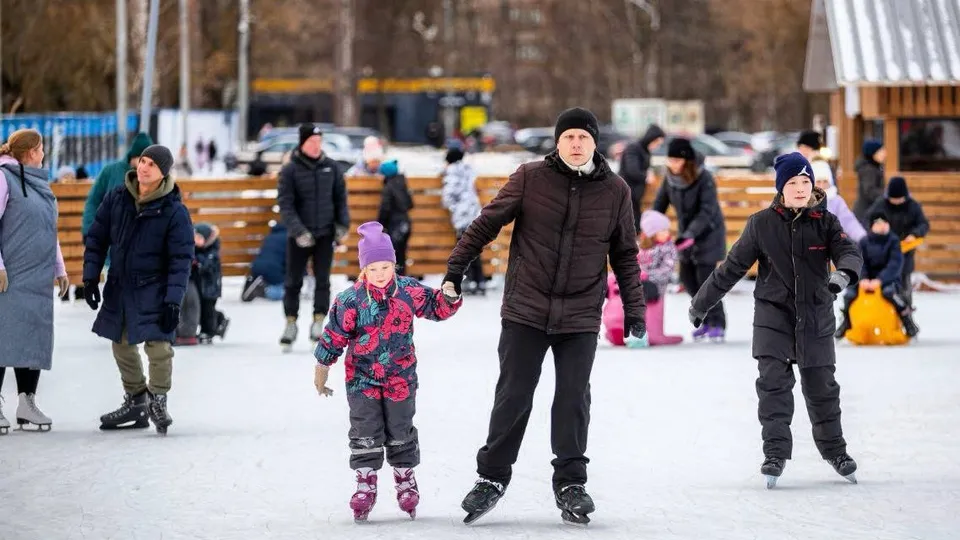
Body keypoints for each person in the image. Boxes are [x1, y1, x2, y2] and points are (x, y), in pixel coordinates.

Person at [443, 107, 646, 525]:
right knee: (513, 395)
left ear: (594, 143)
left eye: (583, 138)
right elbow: (486, 223)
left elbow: (625, 255)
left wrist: (634, 309)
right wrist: (454, 270)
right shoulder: (530, 177)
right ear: (557, 141)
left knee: (573, 398)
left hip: (580, 314)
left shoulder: (615, 191)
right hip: (526, 308)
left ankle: (571, 483)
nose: (576, 144)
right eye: (569, 137)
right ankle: (492, 477)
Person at [688, 152, 863, 488]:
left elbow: (849, 252)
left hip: (815, 315)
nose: (800, 188)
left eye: (805, 181)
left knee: (822, 388)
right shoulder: (761, 224)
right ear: (781, 187)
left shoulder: (825, 222)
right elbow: (731, 268)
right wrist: (701, 303)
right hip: (773, 317)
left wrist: (843, 274)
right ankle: (775, 454)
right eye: (793, 182)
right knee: (773, 386)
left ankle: (835, 451)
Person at [313, 221, 462, 522]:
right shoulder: (350, 300)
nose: (380, 274)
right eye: (373, 269)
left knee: (400, 428)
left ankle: (405, 477)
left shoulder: (408, 291)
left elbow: (437, 308)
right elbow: (334, 335)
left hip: (401, 378)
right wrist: (322, 367)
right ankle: (365, 483)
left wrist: (450, 295)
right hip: (362, 379)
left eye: (385, 267)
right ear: (363, 270)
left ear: (394, 264)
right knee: (365, 429)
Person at [82, 144, 194, 435]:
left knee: (159, 346)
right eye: (142, 161)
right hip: (120, 285)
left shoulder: (174, 211)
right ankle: (136, 400)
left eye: (151, 165)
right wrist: (91, 277)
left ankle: (158, 399)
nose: (143, 168)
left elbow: (181, 261)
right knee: (120, 343)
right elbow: (97, 238)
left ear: (163, 173)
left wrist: (172, 302)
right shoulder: (117, 197)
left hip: (154, 288)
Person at [0, 129, 70, 433]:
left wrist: (59, 268)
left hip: (37, 277)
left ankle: (26, 403)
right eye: (41, 149)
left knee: (32, 335)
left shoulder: (41, 185)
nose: (44, 154)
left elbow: (48, 229)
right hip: (10, 275)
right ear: (31, 152)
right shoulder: (3, 178)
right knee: (4, 335)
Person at [277, 123, 350, 347]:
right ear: (303, 143)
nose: (316, 146)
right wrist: (299, 231)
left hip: (325, 233)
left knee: (322, 280)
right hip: (300, 235)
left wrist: (342, 226)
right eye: (312, 142)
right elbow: (285, 204)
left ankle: (319, 321)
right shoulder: (290, 170)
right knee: (293, 281)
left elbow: (340, 199)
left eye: (319, 142)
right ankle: (291, 322)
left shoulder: (332, 167)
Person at [651, 137, 727, 341]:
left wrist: (690, 234)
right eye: (670, 160)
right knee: (687, 278)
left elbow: (707, 211)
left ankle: (717, 323)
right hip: (686, 235)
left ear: (687, 162)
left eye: (677, 161)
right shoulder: (669, 179)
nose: (672, 165)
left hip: (708, 233)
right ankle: (706, 320)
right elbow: (659, 205)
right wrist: (649, 226)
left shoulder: (704, 178)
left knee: (706, 280)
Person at [835, 210, 919, 339]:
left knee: (889, 292)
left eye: (885, 222)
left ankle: (906, 318)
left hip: (888, 279)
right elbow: (861, 262)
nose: (883, 225)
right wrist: (863, 278)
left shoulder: (893, 241)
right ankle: (847, 321)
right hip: (866, 279)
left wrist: (880, 280)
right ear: (872, 226)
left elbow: (894, 264)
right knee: (850, 295)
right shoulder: (864, 242)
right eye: (879, 223)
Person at [866, 176, 929, 307]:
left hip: (906, 252)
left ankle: (906, 314)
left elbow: (923, 224)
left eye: (899, 199)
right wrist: (876, 230)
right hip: (883, 252)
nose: (895, 202)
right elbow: (867, 220)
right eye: (893, 199)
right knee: (884, 283)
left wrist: (914, 234)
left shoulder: (913, 206)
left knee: (904, 285)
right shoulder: (880, 204)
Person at [634, 210, 694, 346]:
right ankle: (638, 334)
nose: (667, 233)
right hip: (639, 288)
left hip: (657, 289)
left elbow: (667, 268)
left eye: (667, 229)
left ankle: (656, 334)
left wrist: (649, 275)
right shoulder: (641, 247)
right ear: (651, 233)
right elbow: (633, 263)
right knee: (639, 311)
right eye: (662, 230)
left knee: (654, 311)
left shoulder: (668, 248)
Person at [81, 132, 153, 241]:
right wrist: (89, 231)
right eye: (142, 160)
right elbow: (93, 201)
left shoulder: (153, 177)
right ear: (134, 156)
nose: (145, 166)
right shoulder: (111, 172)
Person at [441, 147, 487, 294]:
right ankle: (479, 280)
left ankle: (468, 280)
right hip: (474, 213)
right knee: (473, 249)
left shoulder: (453, 172)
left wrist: (452, 206)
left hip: (462, 216)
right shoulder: (468, 170)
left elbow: (449, 195)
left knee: (463, 251)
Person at [619, 124, 666, 230]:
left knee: (636, 221)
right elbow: (632, 170)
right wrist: (646, 176)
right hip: (628, 192)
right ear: (651, 138)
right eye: (656, 143)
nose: (657, 146)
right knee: (630, 222)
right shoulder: (634, 148)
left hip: (636, 195)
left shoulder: (645, 151)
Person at [811, 160, 866, 243]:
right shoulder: (806, 201)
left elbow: (848, 221)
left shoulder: (836, 200)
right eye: (818, 182)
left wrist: (863, 238)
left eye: (825, 181)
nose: (822, 186)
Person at [376, 159, 414, 275]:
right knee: (401, 255)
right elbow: (410, 204)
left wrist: (380, 225)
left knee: (393, 257)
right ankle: (402, 282)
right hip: (405, 224)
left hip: (394, 225)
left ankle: (395, 284)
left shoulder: (389, 187)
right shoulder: (402, 184)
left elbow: (385, 209)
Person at [241, 223, 287, 302]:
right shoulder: (289, 237)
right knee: (286, 293)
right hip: (273, 269)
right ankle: (263, 291)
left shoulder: (270, 236)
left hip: (256, 267)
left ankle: (253, 284)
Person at [852, 139, 885, 225]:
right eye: (881, 151)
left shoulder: (874, 168)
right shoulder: (869, 170)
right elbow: (870, 191)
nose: (884, 154)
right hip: (866, 213)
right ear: (873, 153)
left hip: (868, 211)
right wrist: (886, 194)